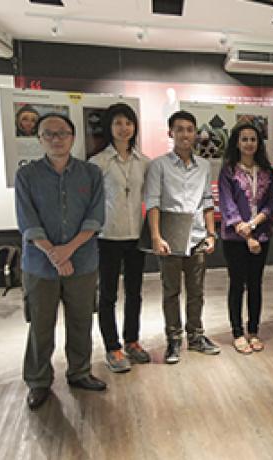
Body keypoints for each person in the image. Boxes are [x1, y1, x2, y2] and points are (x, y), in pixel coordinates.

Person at [15, 113, 106, 410]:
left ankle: (79, 372)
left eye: (62, 133)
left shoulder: (90, 174)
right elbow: (27, 220)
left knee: (81, 321)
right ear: (40, 139)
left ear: (73, 137)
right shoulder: (26, 175)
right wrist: (54, 253)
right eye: (49, 134)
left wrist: (68, 250)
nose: (56, 139)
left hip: (82, 262)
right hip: (40, 266)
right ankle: (38, 381)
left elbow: (95, 218)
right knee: (41, 324)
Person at [145, 110, 220, 364]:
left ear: (196, 133)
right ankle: (174, 340)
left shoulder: (204, 166)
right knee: (171, 291)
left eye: (190, 129)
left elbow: (207, 201)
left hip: (197, 235)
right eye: (180, 129)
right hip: (170, 236)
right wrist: (156, 236)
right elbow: (153, 202)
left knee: (196, 291)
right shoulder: (158, 165)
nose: (185, 134)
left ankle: (196, 336)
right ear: (171, 133)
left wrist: (211, 234)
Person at [89, 103, 151, 372]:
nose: (123, 128)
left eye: (128, 122)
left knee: (135, 292)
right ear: (109, 128)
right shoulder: (98, 163)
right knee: (108, 294)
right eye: (118, 123)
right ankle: (112, 347)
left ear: (135, 126)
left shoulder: (144, 163)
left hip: (136, 235)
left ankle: (132, 341)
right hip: (107, 236)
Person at [218, 123, 273, 354]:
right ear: (237, 142)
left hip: (261, 234)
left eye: (253, 139)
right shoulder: (228, 170)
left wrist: (254, 225)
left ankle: (253, 330)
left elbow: (271, 202)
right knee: (237, 284)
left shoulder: (267, 171)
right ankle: (237, 332)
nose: (249, 143)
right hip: (234, 237)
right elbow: (226, 203)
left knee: (255, 284)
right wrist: (243, 228)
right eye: (244, 139)